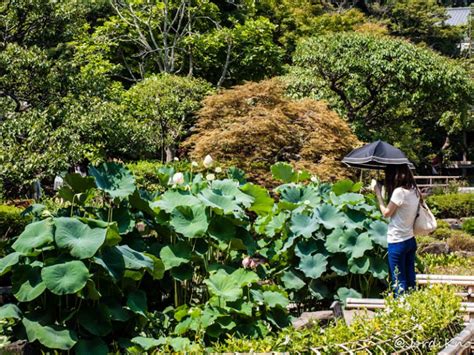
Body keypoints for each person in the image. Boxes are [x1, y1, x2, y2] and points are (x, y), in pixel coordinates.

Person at [373, 164, 420, 297]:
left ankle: (400, 311)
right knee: (410, 280)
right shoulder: (414, 190)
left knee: (398, 280)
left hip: (397, 242)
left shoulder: (399, 192)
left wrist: (378, 193)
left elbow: (386, 213)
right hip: (410, 240)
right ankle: (413, 308)